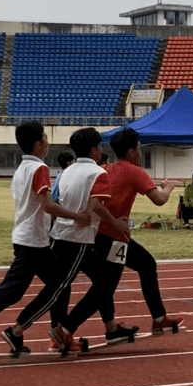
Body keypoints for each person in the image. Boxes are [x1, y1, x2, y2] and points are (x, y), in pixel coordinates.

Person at [0, 122, 91, 357]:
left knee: (60, 284)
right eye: (45, 137)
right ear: (38, 144)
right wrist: (77, 216)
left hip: (32, 239)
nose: (47, 141)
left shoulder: (22, 168)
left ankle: (53, 335)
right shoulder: (39, 169)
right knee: (13, 291)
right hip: (31, 242)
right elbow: (47, 205)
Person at [47, 127, 136, 353]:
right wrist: (115, 223)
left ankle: (102, 328)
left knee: (66, 285)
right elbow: (96, 205)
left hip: (59, 234)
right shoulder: (98, 173)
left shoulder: (66, 171)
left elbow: (56, 201)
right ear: (95, 150)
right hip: (77, 238)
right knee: (101, 283)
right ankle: (60, 331)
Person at [97, 128, 185, 335]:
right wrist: (168, 187)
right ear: (130, 152)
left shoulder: (106, 169)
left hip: (99, 233)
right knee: (115, 279)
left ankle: (115, 326)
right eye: (138, 147)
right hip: (115, 236)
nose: (140, 151)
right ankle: (157, 319)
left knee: (112, 279)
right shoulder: (134, 171)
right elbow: (159, 200)